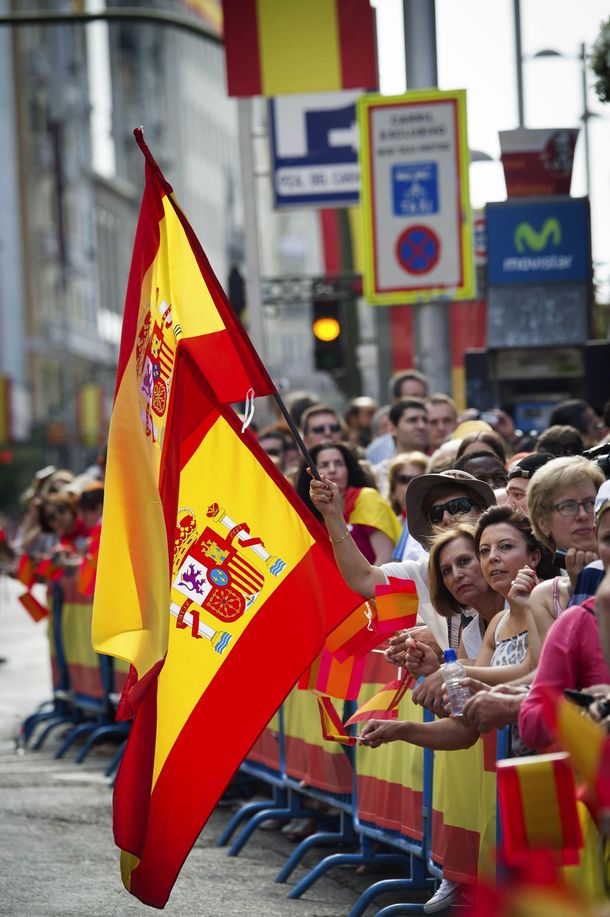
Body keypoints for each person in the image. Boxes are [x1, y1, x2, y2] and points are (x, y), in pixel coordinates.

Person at [310, 468, 495, 648]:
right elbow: (362, 578)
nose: (446, 518)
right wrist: (332, 514)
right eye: (436, 514)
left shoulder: (508, 563)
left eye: (458, 507)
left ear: (482, 512)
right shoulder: (424, 572)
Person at [518, 477, 610, 749]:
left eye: (586, 504)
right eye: (608, 538)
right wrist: (581, 707)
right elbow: (531, 722)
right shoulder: (578, 621)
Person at [297, 441, 400, 564]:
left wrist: (366, 582)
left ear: (348, 469)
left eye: (339, 464)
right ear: (310, 473)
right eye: (324, 465)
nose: (332, 470)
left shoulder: (367, 498)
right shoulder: (306, 513)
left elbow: (385, 559)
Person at [365, 370, 430, 464]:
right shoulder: (377, 451)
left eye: (424, 396)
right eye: (413, 396)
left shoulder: (438, 440)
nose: (420, 401)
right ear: (395, 400)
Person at [372, 398, 430, 489]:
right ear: (392, 428)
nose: (422, 426)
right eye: (413, 420)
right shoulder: (378, 475)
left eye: (425, 420)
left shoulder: (437, 470)